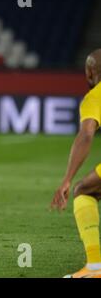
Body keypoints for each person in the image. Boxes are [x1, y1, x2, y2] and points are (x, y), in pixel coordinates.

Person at [51, 49, 101, 278]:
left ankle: (94, 267)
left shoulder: (95, 96)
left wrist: (67, 179)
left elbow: (86, 135)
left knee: (83, 190)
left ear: (91, 72)